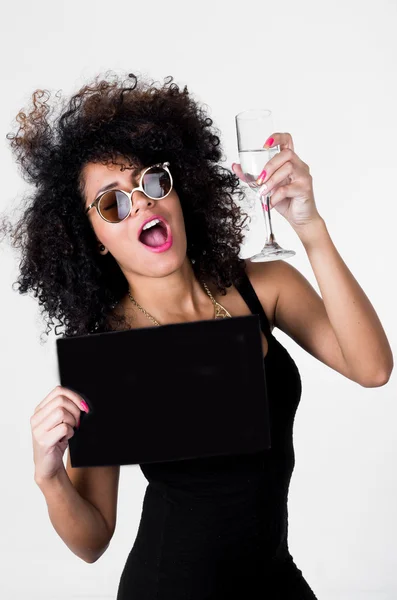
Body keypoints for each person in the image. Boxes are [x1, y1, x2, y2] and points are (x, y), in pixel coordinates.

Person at [2, 71, 393, 599]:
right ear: (91, 238)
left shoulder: (262, 288)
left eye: (152, 181)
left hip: (275, 581)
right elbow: (93, 538)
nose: (139, 203)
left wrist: (309, 226)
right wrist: (48, 475)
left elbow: (372, 368)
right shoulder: (107, 349)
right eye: (111, 203)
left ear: (178, 188)